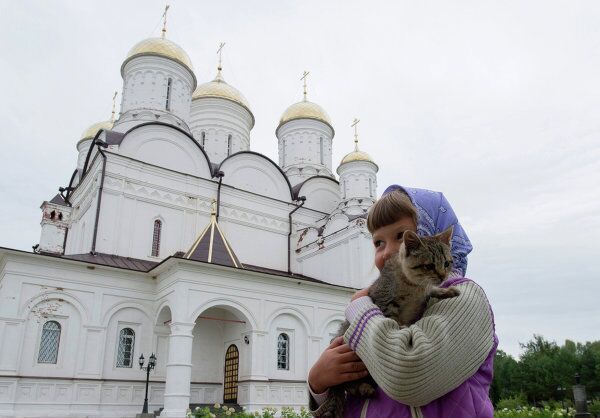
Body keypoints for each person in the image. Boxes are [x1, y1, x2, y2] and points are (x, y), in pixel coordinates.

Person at [307, 185, 498, 418]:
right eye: (378, 242)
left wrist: (360, 307)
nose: (387, 252)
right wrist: (319, 384)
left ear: (434, 237)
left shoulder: (465, 300)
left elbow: (408, 376)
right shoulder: (384, 302)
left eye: (401, 236)